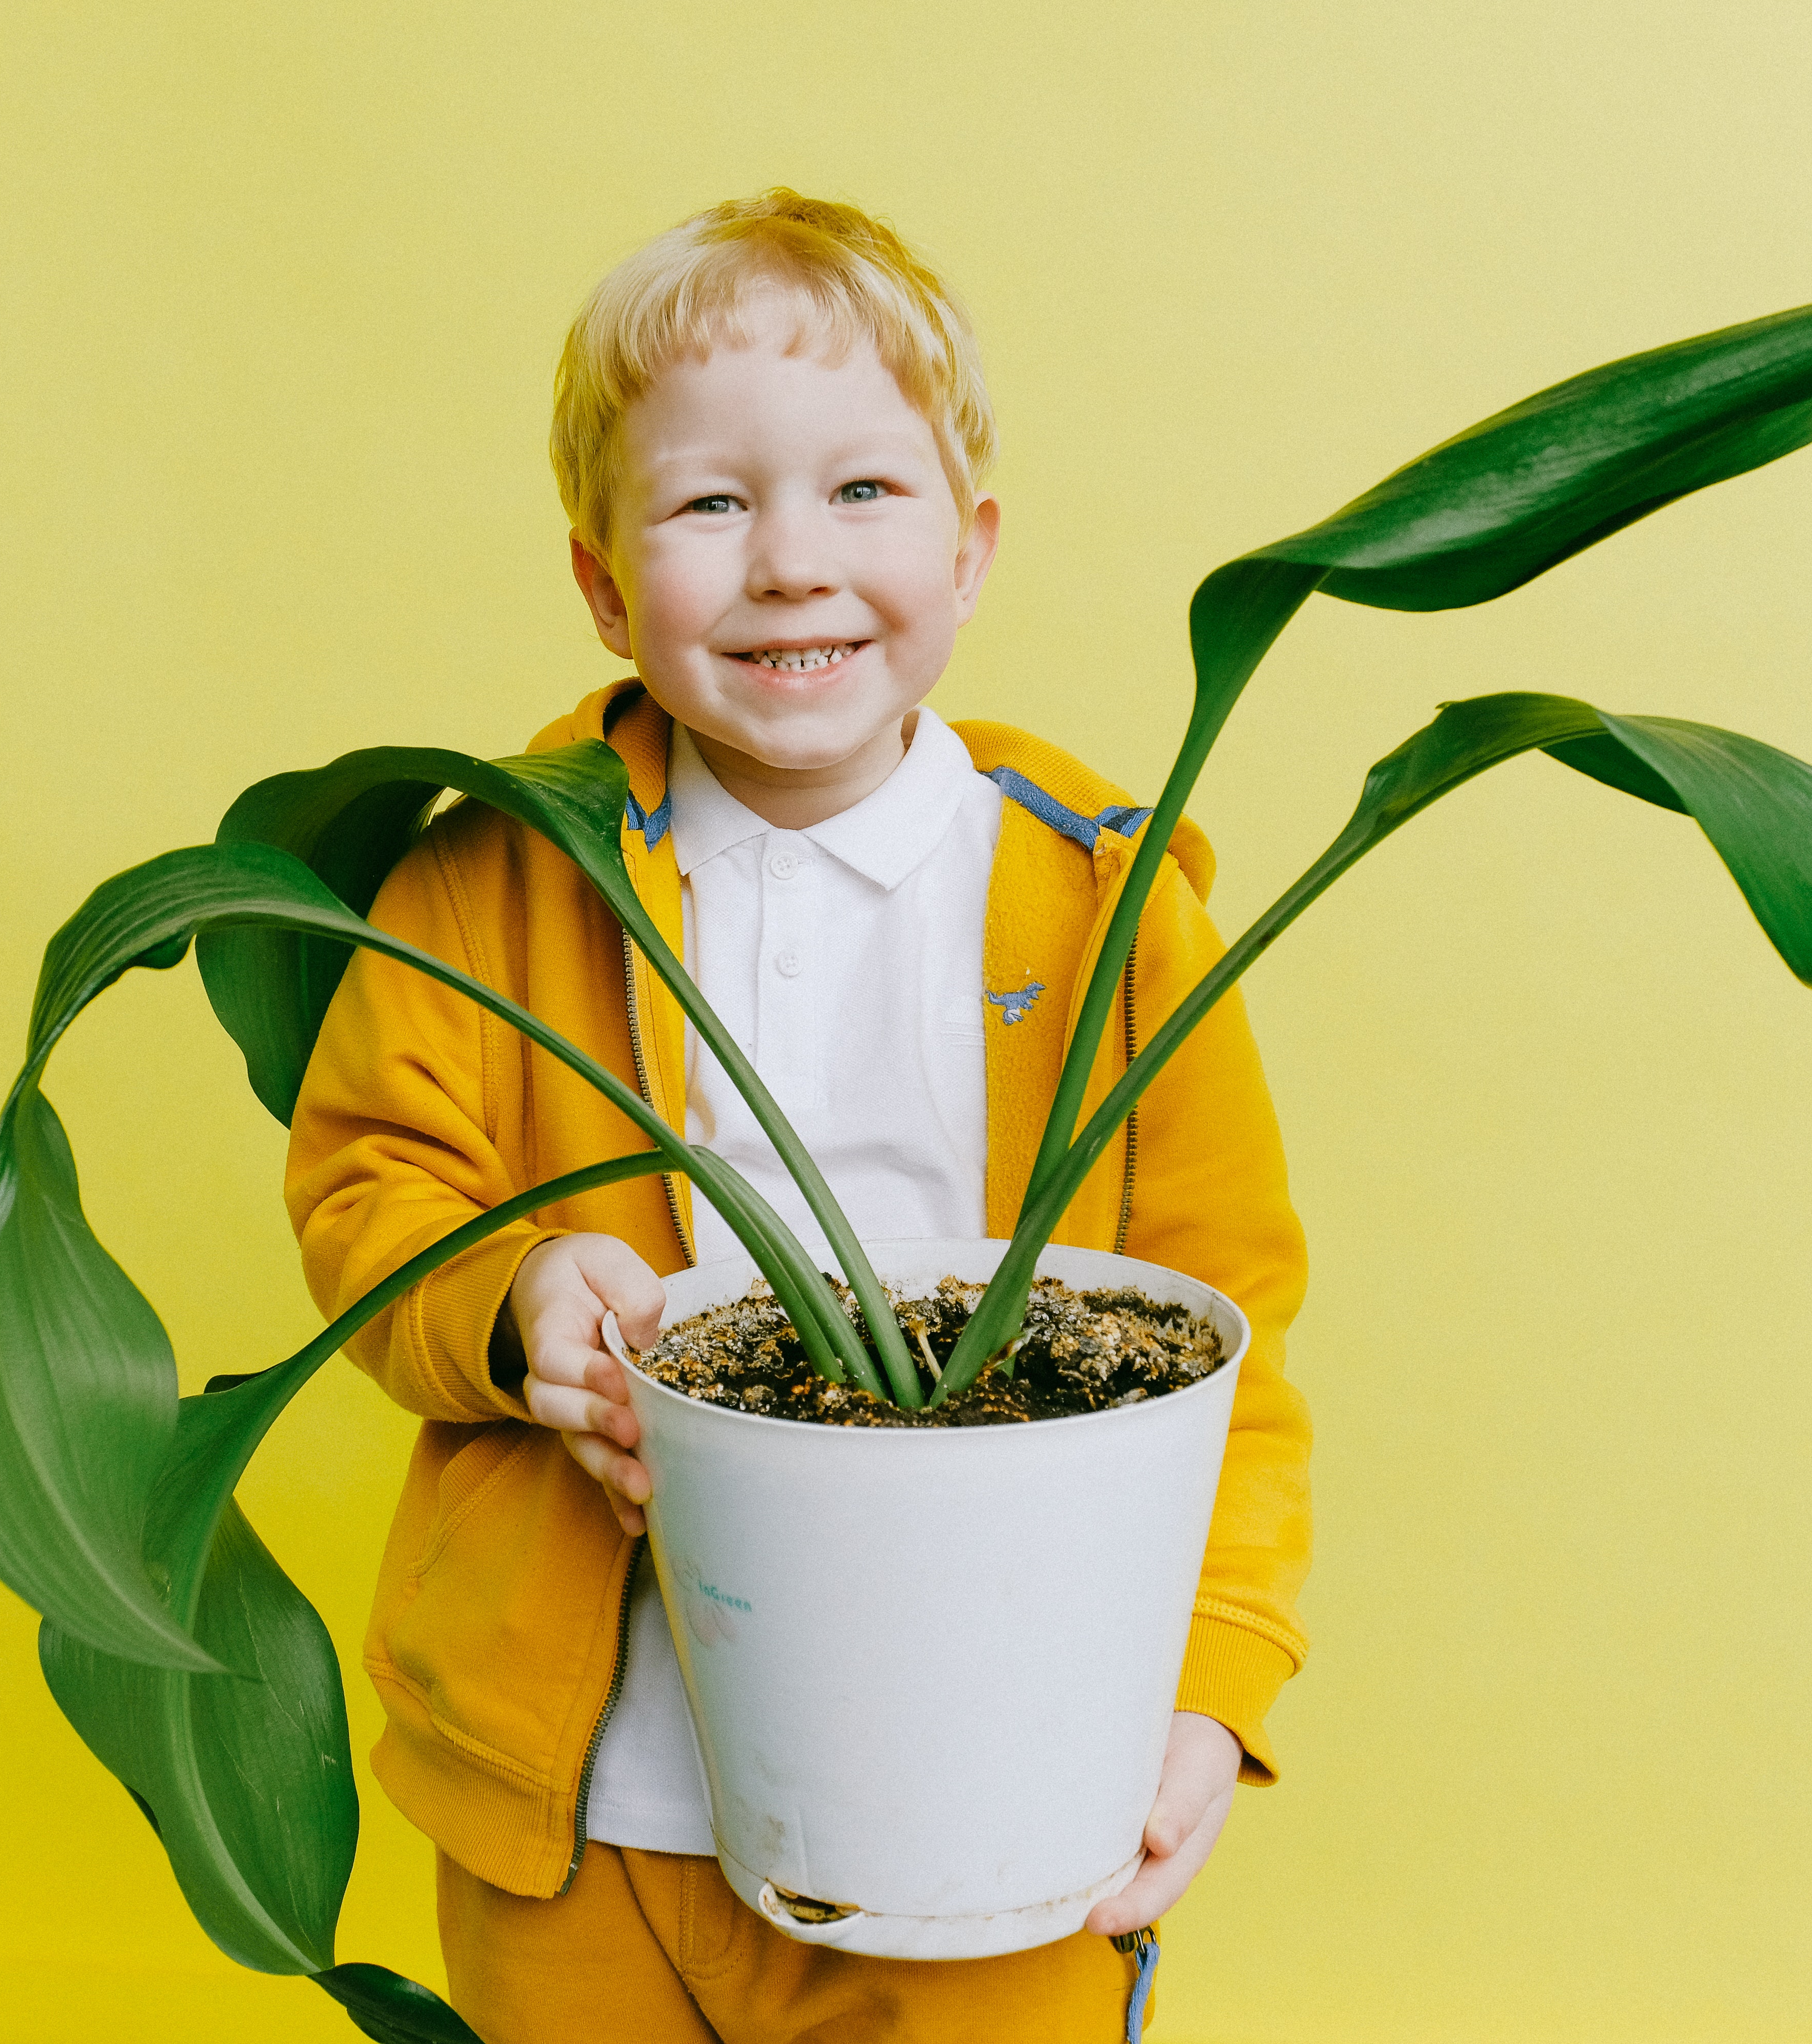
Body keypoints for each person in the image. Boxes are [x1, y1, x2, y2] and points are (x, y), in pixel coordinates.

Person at [285, 190, 1310, 2043]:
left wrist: (1210, 1686)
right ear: (604, 583)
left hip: (996, 1795)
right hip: (587, 1807)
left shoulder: (1106, 904)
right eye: (707, 505)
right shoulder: (496, 879)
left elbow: (1227, 1328)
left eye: (863, 493)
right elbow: (368, 1180)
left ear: (974, 547)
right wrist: (518, 1298)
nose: (787, 564)